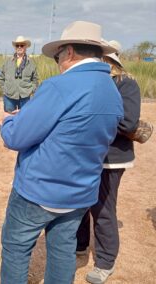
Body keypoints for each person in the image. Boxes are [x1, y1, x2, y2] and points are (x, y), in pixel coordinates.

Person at [0, 21, 124, 283]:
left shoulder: (58, 86)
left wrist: (10, 119)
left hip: (38, 190)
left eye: (57, 56)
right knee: (63, 250)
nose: (57, 62)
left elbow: (16, 136)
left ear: (68, 52)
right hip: (80, 193)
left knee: (16, 249)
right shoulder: (112, 91)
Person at [76, 40, 141, 284]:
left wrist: (94, 117)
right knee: (80, 204)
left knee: (103, 209)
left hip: (112, 158)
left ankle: (105, 262)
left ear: (109, 60)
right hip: (88, 155)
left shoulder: (126, 83)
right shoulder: (96, 82)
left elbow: (129, 123)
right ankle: (79, 247)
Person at [0, 36, 38, 113]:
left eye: (22, 45)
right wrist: (4, 89)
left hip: (25, 96)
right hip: (9, 96)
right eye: (17, 45)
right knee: (9, 118)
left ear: (25, 47)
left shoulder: (31, 63)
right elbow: (1, 77)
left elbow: (35, 80)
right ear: (15, 47)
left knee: (24, 119)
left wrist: (31, 90)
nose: (19, 47)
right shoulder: (7, 62)